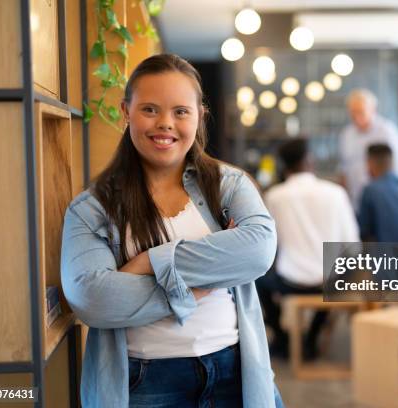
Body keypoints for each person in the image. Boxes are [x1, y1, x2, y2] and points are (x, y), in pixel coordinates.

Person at [61, 54, 284, 408]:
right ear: (125, 111)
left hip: (235, 371)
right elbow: (94, 299)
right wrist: (201, 284)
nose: (165, 123)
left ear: (199, 117)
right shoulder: (92, 207)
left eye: (181, 111)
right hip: (145, 382)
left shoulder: (228, 186)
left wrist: (149, 261)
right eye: (150, 109)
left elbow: (258, 251)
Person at [257, 138, 359, 359]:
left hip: (290, 281)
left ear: (284, 165)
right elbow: (352, 246)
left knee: (256, 280)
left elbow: (266, 246)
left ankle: (283, 339)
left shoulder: (275, 196)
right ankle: (312, 339)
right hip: (329, 282)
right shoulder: (336, 193)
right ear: (310, 160)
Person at [338, 89, 398, 210]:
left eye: (360, 112)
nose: (356, 117)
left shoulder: (387, 132)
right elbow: (344, 169)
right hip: (356, 203)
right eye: (353, 113)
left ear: (373, 110)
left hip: (384, 202)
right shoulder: (347, 134)